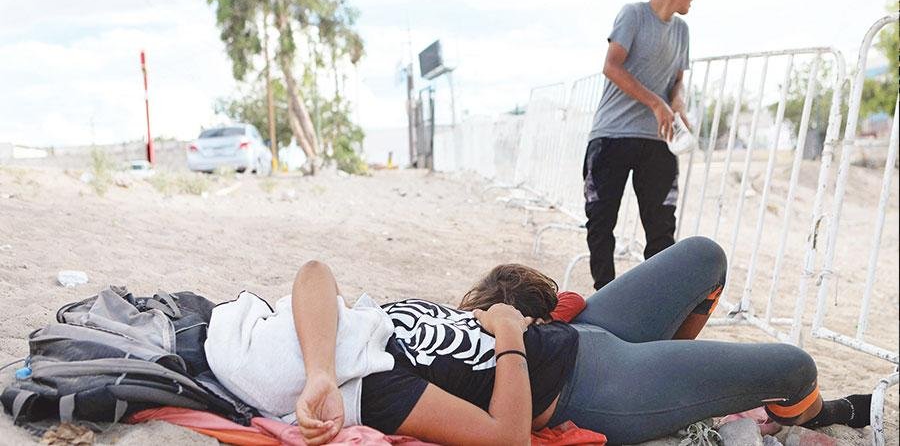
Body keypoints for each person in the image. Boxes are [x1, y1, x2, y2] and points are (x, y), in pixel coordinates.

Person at [286, 237, 872, 445]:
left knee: (706, 258)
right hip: (589, 388)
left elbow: (314, 271)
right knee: (794, 368)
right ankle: (813, 414)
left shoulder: (351, 328)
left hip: (581, 333)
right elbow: (507, 436)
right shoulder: (375, 388)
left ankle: (681, 379)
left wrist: (318, 371)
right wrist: (509, 335)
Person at [584, 0, 696, 290]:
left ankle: (656, 303)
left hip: (657, 139)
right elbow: (611, 66)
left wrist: (676, 103)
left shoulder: (682, 31)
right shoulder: (633, 15)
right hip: (612, 135)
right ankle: (604, 296)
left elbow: (677, 83)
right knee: (601, 221)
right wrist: (655, 103)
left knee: (662, 228)